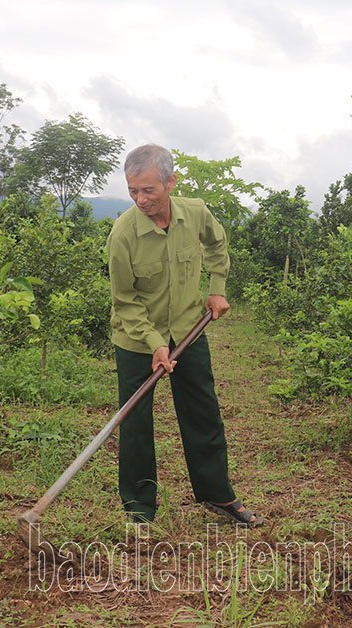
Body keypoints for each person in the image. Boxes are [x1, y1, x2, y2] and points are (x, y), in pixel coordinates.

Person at [106, 143, 263, 527]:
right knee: (135, 421)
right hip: (136, 339)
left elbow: (217, 244)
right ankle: (139, 509)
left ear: (171, 182)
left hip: (188, 330)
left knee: (202, 411)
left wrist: (217, 288)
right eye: (133, 191)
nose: (140, 199)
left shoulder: (195, 213)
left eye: (148, 190)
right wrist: (155, 344)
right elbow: (125, 301)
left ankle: (217, 494)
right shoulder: (123, 234)